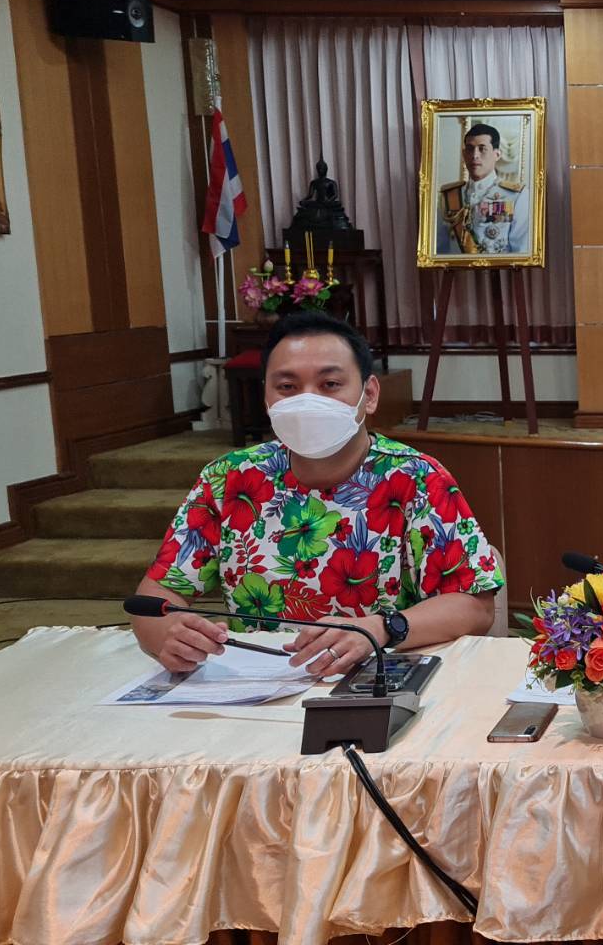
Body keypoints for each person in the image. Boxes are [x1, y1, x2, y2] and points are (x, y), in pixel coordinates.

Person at [130, 312, 502, 677]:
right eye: (287, 387)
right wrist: (169, 637)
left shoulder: (417, 478)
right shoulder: (229, 479)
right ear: (266, 397)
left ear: (369, 394)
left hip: (379, 679)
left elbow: (475, 606)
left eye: (330, 384)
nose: (308, 401)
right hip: (258, 685)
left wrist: (380, 628)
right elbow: (154, 598)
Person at [435, 122, 529, 256]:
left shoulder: (516, 196)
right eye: (470, 149)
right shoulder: (449, 196)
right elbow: (439, 250)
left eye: (482, 149)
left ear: (497, 154)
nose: (475, 155)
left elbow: (522, 251)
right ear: (464, 154)